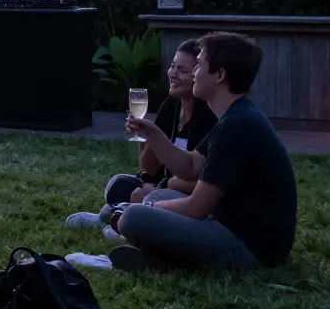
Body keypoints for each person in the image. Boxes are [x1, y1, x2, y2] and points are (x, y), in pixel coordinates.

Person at [110, 32, 298, 272]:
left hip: (250, 248)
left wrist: (147, 212)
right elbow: (189, 166)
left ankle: (168, 261)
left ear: (219, 76)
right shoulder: (236, 115)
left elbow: (196, 208)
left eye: (199, 65)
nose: (195, 73)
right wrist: (152, 134)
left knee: (134, 217)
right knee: (154, 198)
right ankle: (164, 259)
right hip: (227, 222)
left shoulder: (237, 126)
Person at [66, 39, 218, 237]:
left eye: (182, 70)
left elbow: (201, 180)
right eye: (172, 66)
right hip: (160, 182)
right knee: (118, 185)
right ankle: (110, 216)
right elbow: (148, 168)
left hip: (186, 192)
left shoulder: (209, 117)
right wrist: (146, 137)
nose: (172, 74)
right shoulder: (171, 106)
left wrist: (157, 187)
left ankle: (118, 219)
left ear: (199, 74)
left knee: (138, 194)